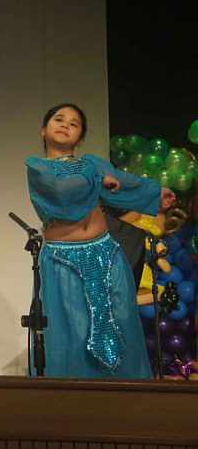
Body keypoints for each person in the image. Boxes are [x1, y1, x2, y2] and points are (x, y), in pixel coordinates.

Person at [26, 103, 176, 378]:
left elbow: (123, 182)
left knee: (120, 322)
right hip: (62, 260)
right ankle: (75, 399)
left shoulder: (92, 164)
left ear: (80, 138)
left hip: (106, 253)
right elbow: (63, 192)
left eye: (74, 123)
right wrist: (98, 178)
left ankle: (124, 398)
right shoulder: (39, 168)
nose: (65, 124)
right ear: (43, 130)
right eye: (59, 119)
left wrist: (156, 192)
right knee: (74, 331)